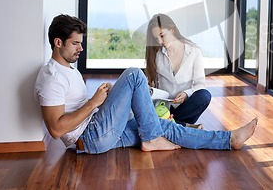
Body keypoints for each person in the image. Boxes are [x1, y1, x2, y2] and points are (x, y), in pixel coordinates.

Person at [34, 14, 257, 154]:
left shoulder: (68, 70)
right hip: (91, 138)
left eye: (80, 43)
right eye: (75, 43)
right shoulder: (51, 77)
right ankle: (151, 139)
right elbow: (56, 129)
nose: (80, 49)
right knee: (133, 75)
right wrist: (93, 103)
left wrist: (103, 101)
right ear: (57, 42)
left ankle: (230, 140)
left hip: (99, 130)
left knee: (166, 126)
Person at [145, 13, 211, 128]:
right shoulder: (156, 55)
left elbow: (200, 84)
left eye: (162, 35)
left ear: (172, 29)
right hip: (163, 108)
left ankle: (167, 124)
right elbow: (151, 84)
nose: (160, 42)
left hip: (186, 108)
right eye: (156, 38)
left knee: (204, 96)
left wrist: (186, 94)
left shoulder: (194, 51)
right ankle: (183, 126)